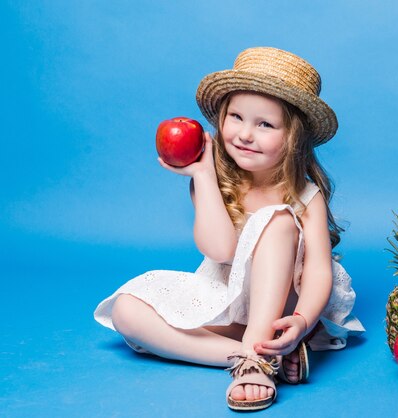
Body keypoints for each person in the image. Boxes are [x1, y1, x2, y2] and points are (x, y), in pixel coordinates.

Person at [94, 46, 364, 411]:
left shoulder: (304, 193)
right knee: (125, 310)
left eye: (265, 124)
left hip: (284, 302)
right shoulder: (213, 179)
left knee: (279, 220)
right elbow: (219, 251)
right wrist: (203, 175)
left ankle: (258, 360)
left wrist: (301, 320)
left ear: (293, 138)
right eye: (236, 117)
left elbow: (317, 269)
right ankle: (255, 355)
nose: (245, 134)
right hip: (229, 297)